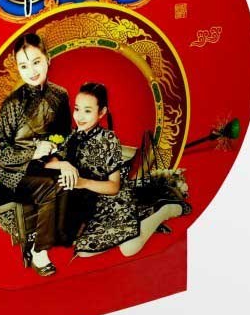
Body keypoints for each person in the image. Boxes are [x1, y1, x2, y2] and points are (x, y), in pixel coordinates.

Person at [0, 33, 77, 276]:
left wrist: (59, 158)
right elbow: (0, 153)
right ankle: (38, 251)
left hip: (46, 166)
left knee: (69, 179)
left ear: (48, 59)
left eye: (36, 62)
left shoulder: (60, 95)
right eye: (24, 66)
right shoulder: (12, 104)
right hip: (14, 175)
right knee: (50, 187)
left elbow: (65, 136)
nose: (31, 71)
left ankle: (59, 236)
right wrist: (33, 151)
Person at [45, 82, 190, 257]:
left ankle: (165, 211)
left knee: (128, 250)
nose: (80, 116)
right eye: (77, 109)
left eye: (87, 111)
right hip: (87, 207)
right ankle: (142, 219)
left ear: (102, 112)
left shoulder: (109, 139)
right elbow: (48, 162)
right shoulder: (72, 136)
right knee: (83, 252)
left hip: (112, 202)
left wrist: (82, 183)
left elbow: (114, 187)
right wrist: (63, 164)